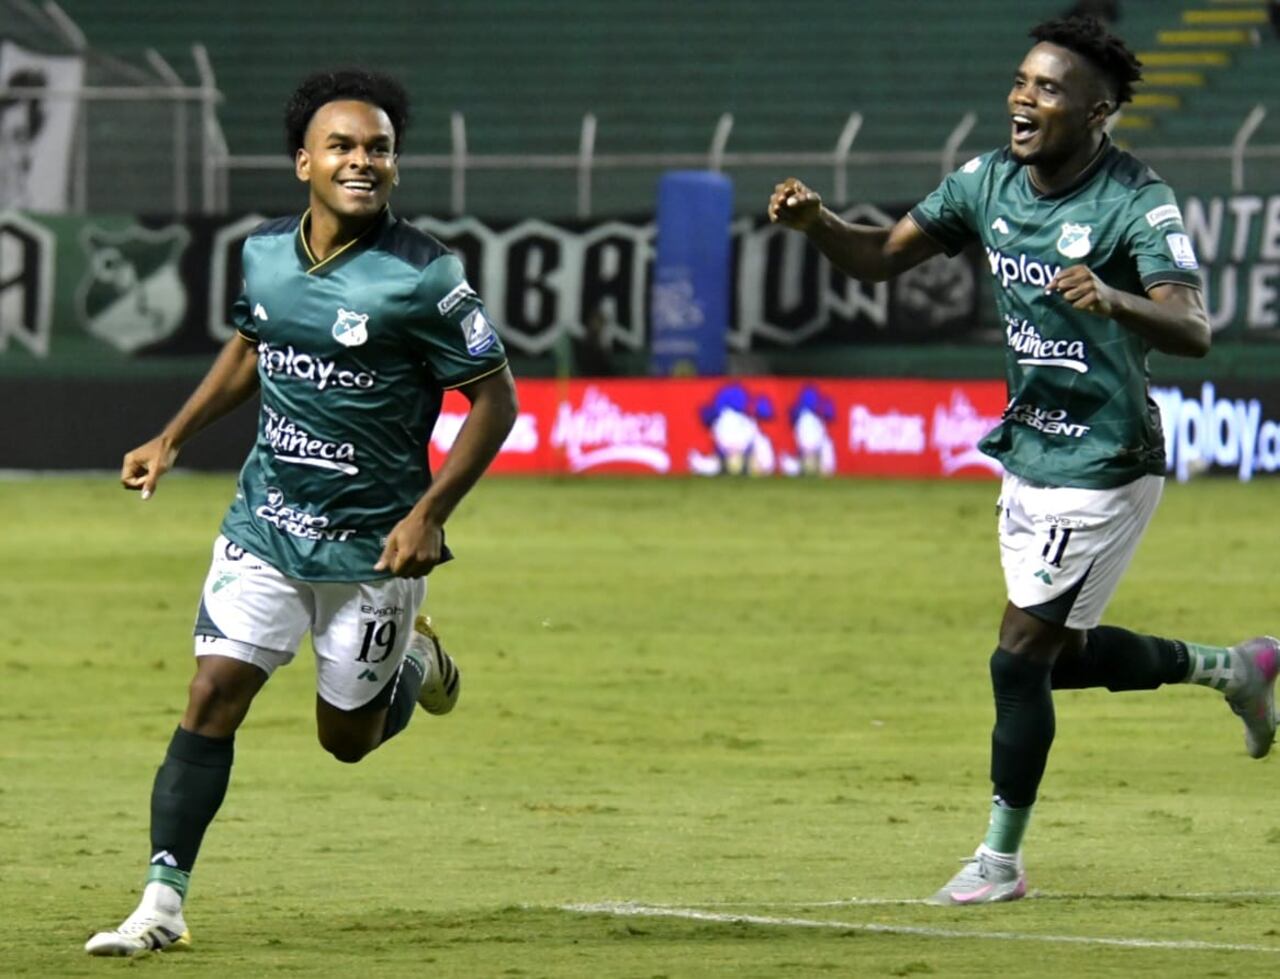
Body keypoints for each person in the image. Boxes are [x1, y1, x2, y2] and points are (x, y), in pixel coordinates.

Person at [769, 16, 1277, 906]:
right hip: (1030, 445)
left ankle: (999, 860)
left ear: (1099, 111)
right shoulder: (988, 180)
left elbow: (1194, 326)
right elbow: (883, 258)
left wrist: (1117, 298)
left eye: (1047, 89)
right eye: (1020, 82)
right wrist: (818, 225)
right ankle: (1235, 668)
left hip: (1109, 455)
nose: (1022, 100)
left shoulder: (1136, 201)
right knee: (1060, 659)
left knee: (1016, 657)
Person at [86, 68, 518, 955]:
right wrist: (170, 437)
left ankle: (417, 662)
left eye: (379, 149)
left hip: (375, 547)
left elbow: (495, 400)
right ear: (303, 163)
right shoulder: (264, 254)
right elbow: (252, 344)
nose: (364, 161)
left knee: (346, 740)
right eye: (344, 146)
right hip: (267, 523)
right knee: (212, 693)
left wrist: (430, 512)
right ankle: (161, 901)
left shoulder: (425, 275)